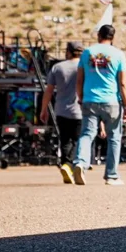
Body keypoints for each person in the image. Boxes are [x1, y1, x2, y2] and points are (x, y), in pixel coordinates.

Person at [73, 24, 126, 186]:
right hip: (111, 101)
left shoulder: (87, 53)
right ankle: (111, 175)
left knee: (87, 134)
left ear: (99, 35)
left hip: (90, 99)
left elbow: (79, 80)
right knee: (114, 138)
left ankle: (80, 163)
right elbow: (123, 83)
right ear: (113, 37)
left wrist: (81, 97)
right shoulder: (118, 54)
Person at [39, 42, 84, 184]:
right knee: (78, 140)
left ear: (68, 52)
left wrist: (44, 109)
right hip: (80, 110)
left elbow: (49, 91)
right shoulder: (85, 68)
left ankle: (65, 164)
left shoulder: (57, 67)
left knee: (65, 140)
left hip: (61, 110)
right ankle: (73, 165)